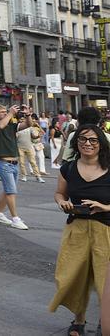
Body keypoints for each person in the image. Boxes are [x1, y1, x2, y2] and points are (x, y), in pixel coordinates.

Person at [50, 124, 110, 336]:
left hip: (106, 230)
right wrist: (62, 202)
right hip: (76, 229)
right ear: (76, 143)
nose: (87, 143)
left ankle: (106, 321)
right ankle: (79, 320)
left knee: (105, 280)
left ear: (101, 143)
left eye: (93, 140)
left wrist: (105, 206)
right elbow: (59, 193)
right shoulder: (68, 167)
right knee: (74, 277)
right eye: (83, 139)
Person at [0, 103, 29, 230]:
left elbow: (28, 125)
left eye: (5, 111)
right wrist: (11, 113)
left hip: (14, 163)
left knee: (7, 190)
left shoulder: (11, 125)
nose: (4, 113)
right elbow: (0, 126)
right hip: (3, 162)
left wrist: (28, 115)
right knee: (11, 191)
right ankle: (15, 218)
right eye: (1, 112)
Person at [17, 112, 44, 182]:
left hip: (29, 146)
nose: (22, 120)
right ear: (18, 120)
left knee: (33, 162)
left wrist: (38, 136)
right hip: (20, 147)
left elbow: (33, 137)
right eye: (21, 119)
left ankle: (38, 176)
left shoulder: (30, 127)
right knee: (22, 163)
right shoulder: (17, 128)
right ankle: (24, 176)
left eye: (23, 119)